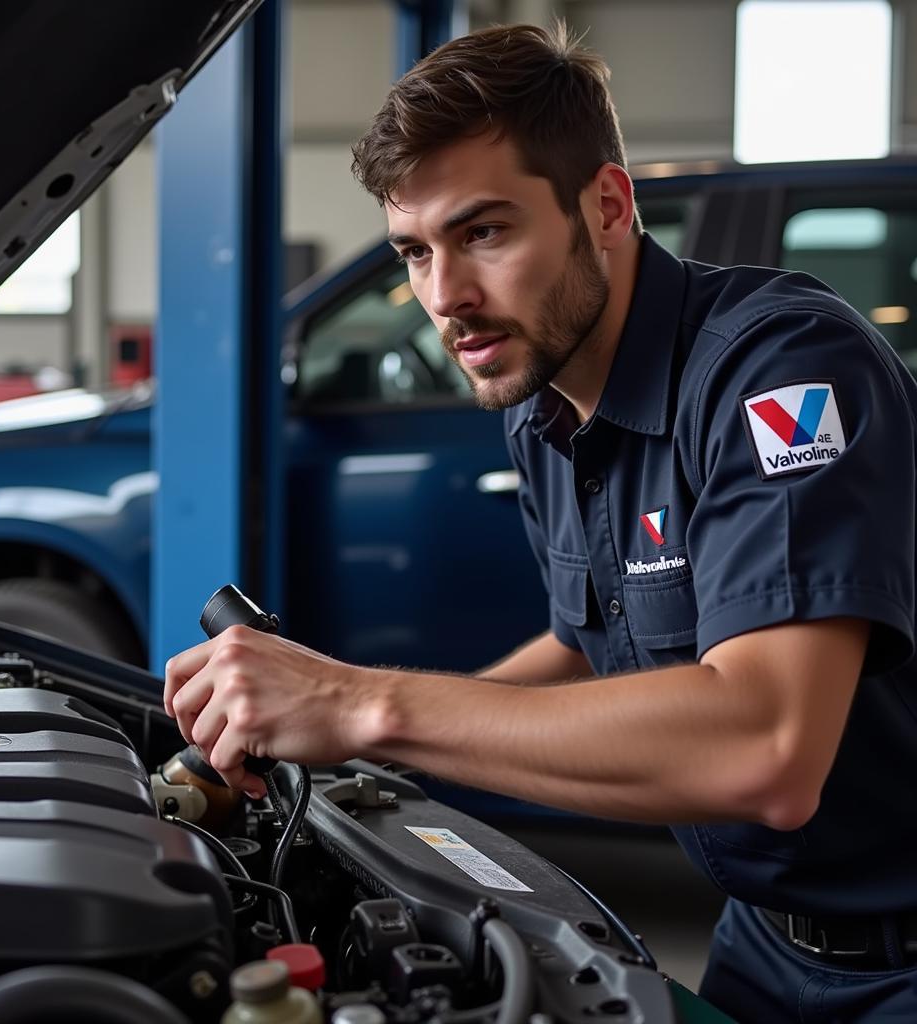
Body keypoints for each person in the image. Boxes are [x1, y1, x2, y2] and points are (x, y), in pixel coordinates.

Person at [164, 23, 917, 1022]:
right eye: (413, 252)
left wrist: (361, 701)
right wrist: (352, 751)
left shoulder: (780, 371)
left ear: (606, 205)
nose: (444, 298)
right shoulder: (544, 404)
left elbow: (767, 751)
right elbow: (583, 643)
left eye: (483, 232)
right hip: (763, 932)